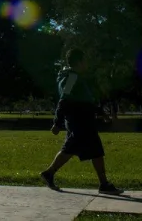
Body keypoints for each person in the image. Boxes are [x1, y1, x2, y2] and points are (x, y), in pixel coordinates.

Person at [40, 48, 122, 195]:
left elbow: (86, 101)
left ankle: (103, 183)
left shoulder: (76, 77)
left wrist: (101, 113)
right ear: (79, 62)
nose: (87, 63)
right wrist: (57, 123)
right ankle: (49, 173)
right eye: (85, 60)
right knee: (74, 149)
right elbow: (64, 100)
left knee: (92, 150)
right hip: (79, 123)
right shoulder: (71, 78)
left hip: (84, 121)